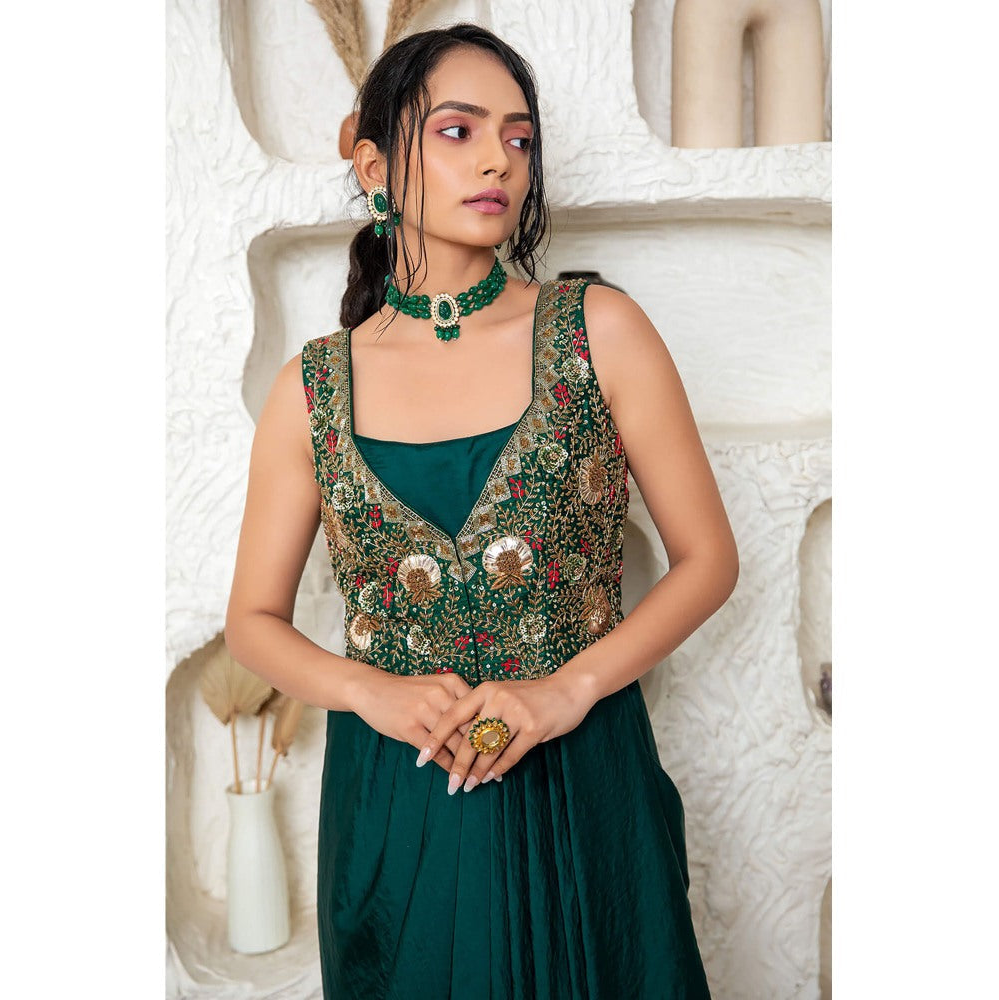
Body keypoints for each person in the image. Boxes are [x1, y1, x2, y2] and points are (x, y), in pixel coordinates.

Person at [225, 22, 738, 1000]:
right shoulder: (312, 389)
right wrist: (368, 691)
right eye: (457, 131)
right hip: (397, 803)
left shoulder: (598, 331)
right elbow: (251, 621)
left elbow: (708, 558)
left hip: (584, 779)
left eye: (518, 137)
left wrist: (566, 693)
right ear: (375, 168)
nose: (499, 159)